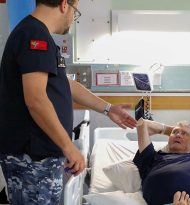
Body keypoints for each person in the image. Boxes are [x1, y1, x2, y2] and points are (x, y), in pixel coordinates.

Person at [0, 1, 137, 204]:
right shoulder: (34, 36)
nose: (74, 17)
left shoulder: (39, 34)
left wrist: (108, 109)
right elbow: (36, 99)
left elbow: (65, 85)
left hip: (39, 155)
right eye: (76, 10)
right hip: (33, 157)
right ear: (65, 4)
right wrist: (69, 147)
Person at [134, 119, 190, 205]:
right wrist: (168, 130)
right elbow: (142, 124)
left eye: (184, 133)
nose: (178, 135)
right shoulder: (152, 158)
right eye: (175, 132)